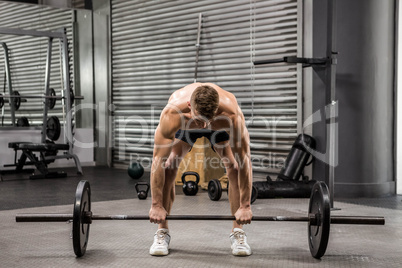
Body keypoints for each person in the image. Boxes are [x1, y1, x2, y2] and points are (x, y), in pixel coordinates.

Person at [148, 82, 253, 256]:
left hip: (219, 126)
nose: (203, 127)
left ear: (217, 107)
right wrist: (156, 205)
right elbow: (158, 160)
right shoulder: (172, 113)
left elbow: (245, 160)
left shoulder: (231, 114)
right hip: (186, 125)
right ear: (190, 105)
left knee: (234, 168)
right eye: (200, 121)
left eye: (207, 121)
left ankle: (238, 233)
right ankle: (162, 232)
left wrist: (246, 205)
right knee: (169, 167)